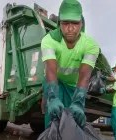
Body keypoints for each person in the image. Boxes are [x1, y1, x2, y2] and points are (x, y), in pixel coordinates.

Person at [41, 0, 100, 128]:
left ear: (81, 23)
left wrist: (78, 101)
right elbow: (50, 71)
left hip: (74, 86)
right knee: (53, 117)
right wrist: (52, 97)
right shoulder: (49, 40)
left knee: (73, 121)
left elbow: (84, 76)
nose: (70, 28)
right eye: (65, 23)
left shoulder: (91, 45)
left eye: (75, 23)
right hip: (54, 82)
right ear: (59, 23)